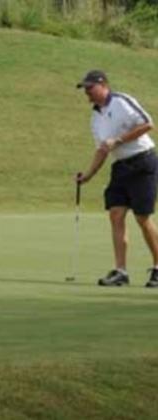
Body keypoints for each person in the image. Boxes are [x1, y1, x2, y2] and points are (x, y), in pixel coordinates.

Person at [76, 70, 158, 287]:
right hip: (121, 167)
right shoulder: (95, 116)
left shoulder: (122, 101)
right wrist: (88, 175)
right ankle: (121, 271)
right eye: (85, 89)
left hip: (143, 162)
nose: (87, 93)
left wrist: (119, 140)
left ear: (103, 85)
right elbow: (102, 150)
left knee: (142, 217)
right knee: (115, 214)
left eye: (90, 88)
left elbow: (148, 124)